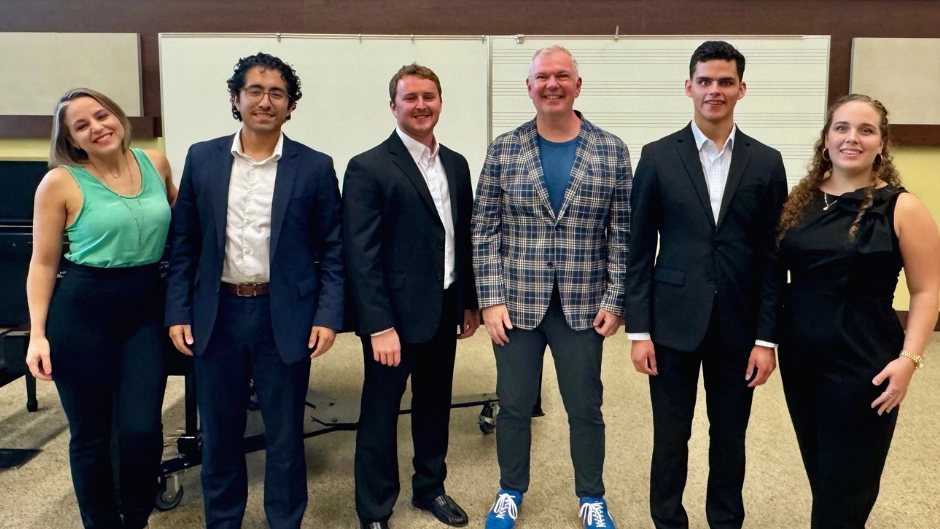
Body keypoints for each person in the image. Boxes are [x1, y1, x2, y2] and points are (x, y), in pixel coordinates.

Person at [164, 52, 344, 529]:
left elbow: (333, 250)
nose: (266, 101)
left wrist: (327, 315)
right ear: (236, 99)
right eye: (256, 91)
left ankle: (285, 521)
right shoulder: (202, 158)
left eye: (277, 93)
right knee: (220, 432)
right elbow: (184, 243)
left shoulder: (315, 166)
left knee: (285, 435)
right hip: (216, 311)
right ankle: (222, 520)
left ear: (291, 106)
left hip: (283, 313)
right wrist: (178, 310)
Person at [623, 41, 787, 529]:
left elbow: (772, 257)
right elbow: (637, 249)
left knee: (730, 435)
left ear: (741, 88)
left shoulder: (767, 161)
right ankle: (668, 520)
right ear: (689, 86)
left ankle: (725, 520)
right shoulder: (656, 157)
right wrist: (639, 331)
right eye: (706, 81)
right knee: (670, 436)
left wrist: (766, 338)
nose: (714, 90)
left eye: (725, 81)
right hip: (671, 323)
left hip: (739, 327)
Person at [472, 45, 630, 529]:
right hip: (515, 305)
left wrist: (616, 298)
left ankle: (592, 497)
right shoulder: (504, 148)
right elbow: (485, 228)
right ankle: (509, 490)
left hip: (585, 305)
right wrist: (490, 299)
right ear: (529, 87)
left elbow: (623, 231)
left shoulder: (612, 149)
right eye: (543, 76)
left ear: (577, 86)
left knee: (586, 407)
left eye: (563, 76)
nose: (552, 84)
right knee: (515, 405)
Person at [776, 94, 939, 528]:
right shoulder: (801, 201)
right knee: (822, 473)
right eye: (842, 128)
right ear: (826, 138)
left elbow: (927, 290)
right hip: (801, 355)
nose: (853, 138)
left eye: (866, 130)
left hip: (863, 358)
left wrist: (910, 360)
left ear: (881, 144)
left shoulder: (901, 207)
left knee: (847, 487)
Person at [26, 88, 177, 529]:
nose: (97, 127)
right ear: (72, 140)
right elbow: (43, 262)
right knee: (91, 435)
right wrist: (37, 334)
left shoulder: (156, 162)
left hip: (146, 306)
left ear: (117, 116)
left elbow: (182, 224)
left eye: (102, 115)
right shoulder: (60, 182)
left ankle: (136, 518)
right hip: (82, 311)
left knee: (142, 429)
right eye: (82, 125)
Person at [343, 63, 479, 529]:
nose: (421, 105)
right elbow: (361, 255)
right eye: (411, 98)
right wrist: (378, 325)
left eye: (429, 96)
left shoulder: (456, 164)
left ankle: (430, 489)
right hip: (393, 319)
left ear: (440, 102)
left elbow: (463, 238)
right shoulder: (368, 166)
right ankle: (375, 509)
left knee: (435, 403)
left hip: (443, 307)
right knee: (380, 414)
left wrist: (468, 301)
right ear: (393, 106)